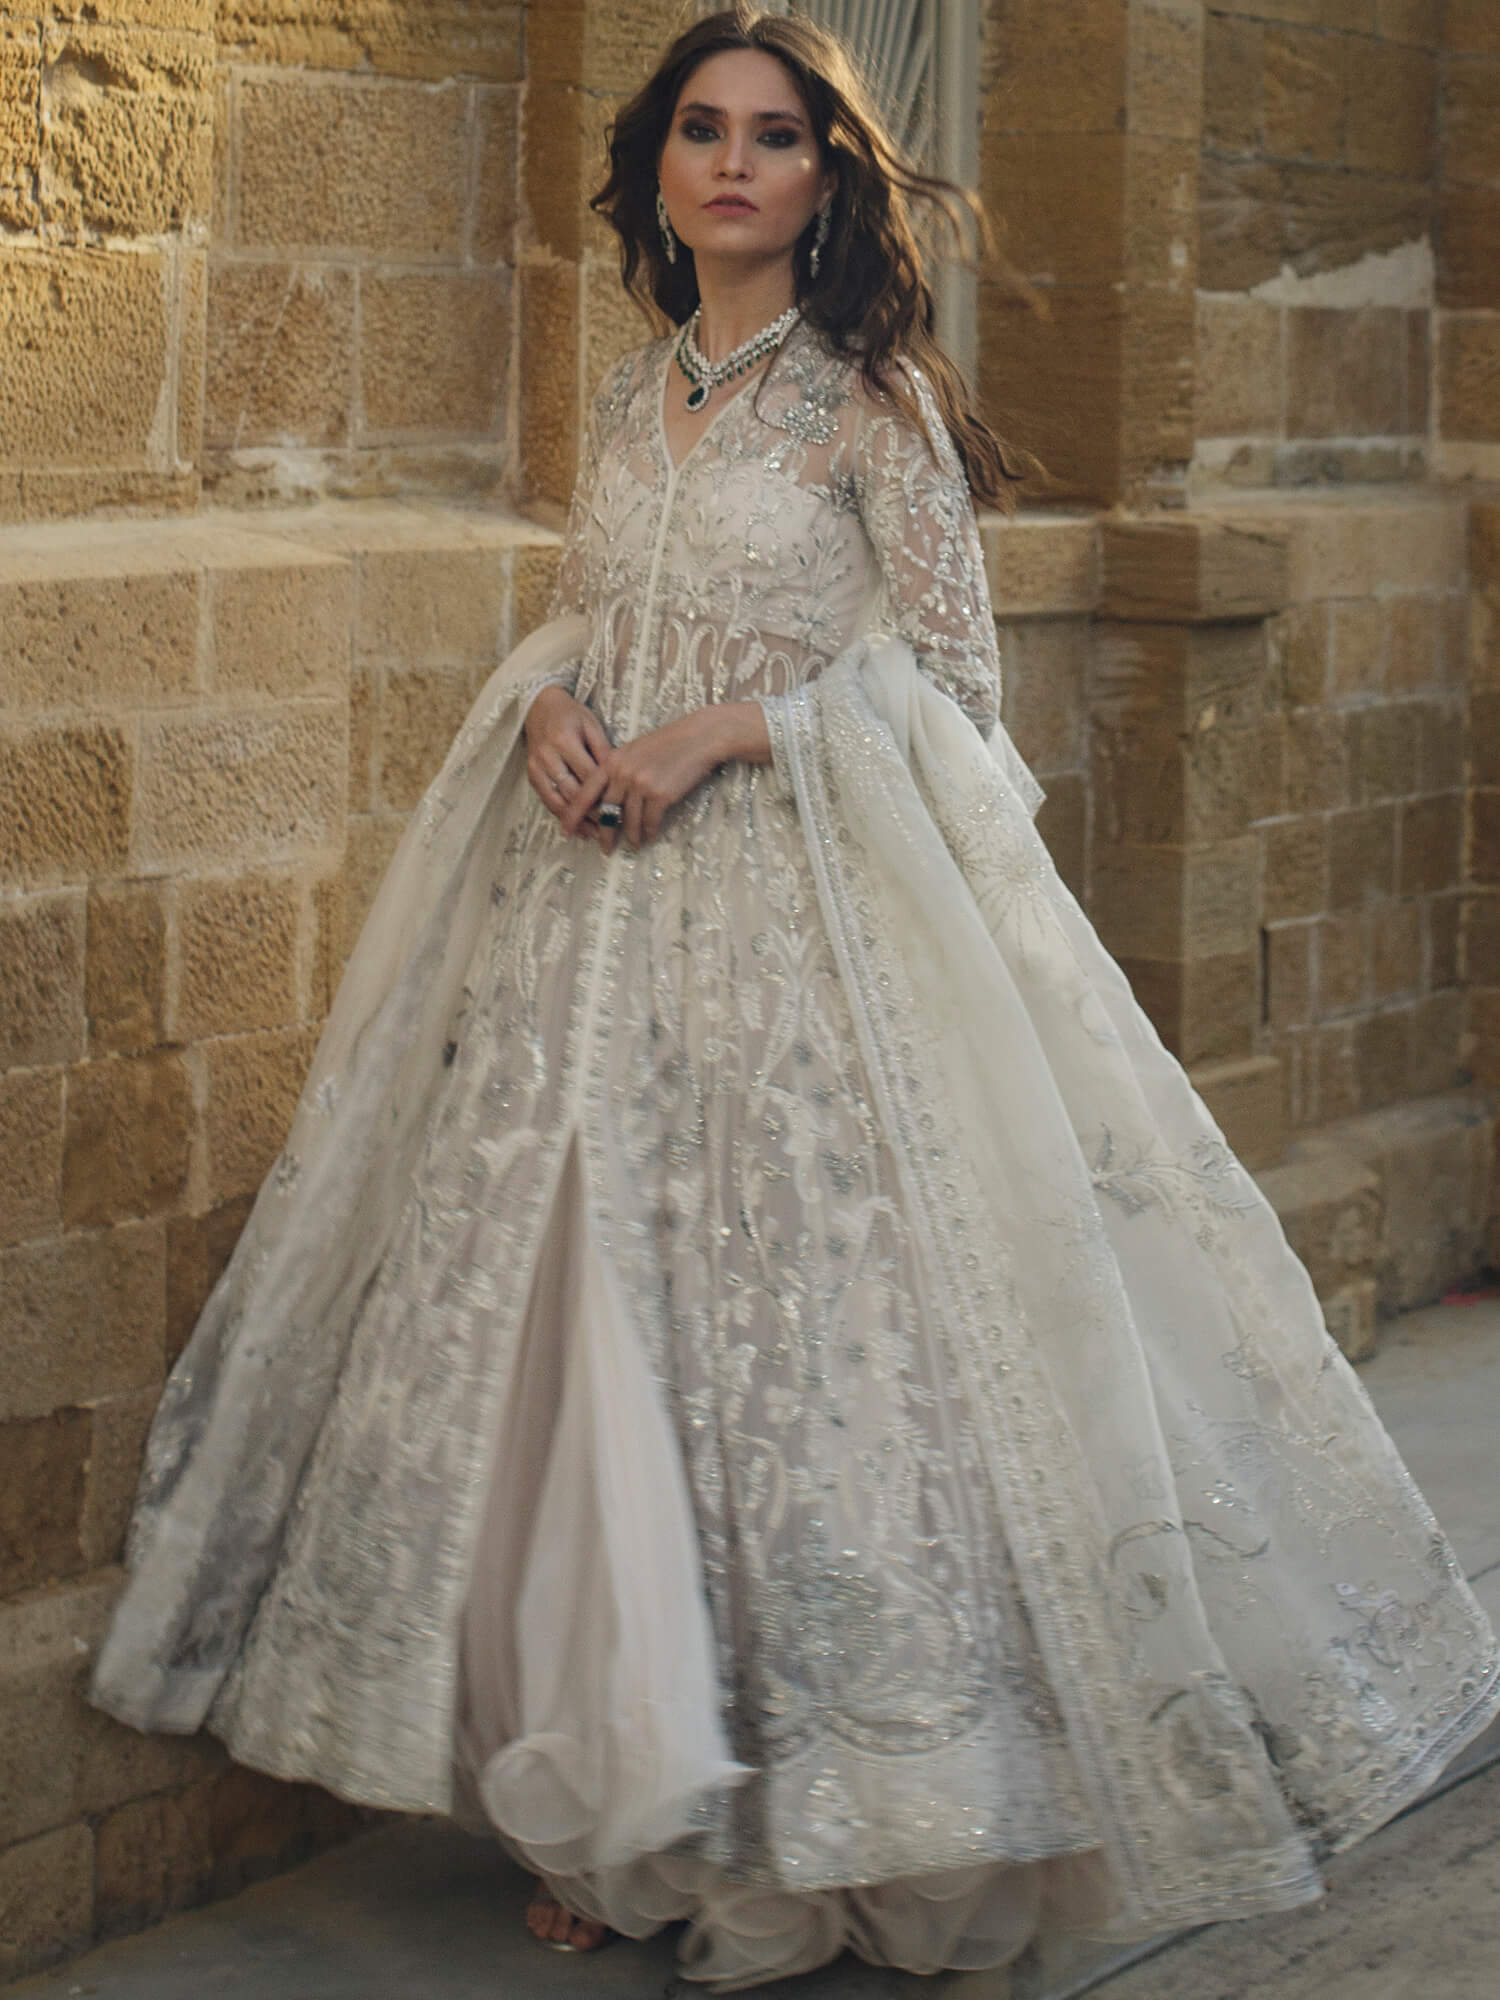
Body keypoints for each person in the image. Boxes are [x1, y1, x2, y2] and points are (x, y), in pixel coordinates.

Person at [92, 6, 1500, 1990]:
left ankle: (845, 1819)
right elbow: (594, 615)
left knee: (806, 1355)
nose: (735, 163)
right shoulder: (627, 393)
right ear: (659, 170)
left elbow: (961, 708)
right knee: (598, 1338)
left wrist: (734, 731)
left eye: (775, 135)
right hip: (592, 944)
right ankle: (633, 1813)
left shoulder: (872, 407)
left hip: (802, 956)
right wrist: (561, 707)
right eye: (703, 130)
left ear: (831, 174)